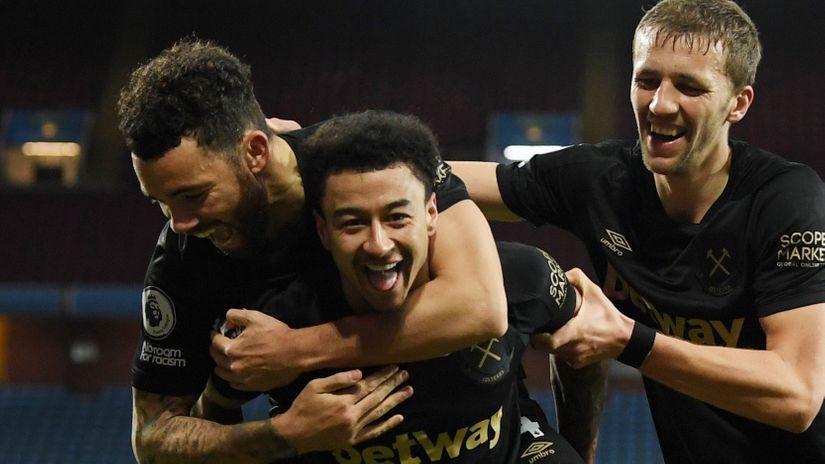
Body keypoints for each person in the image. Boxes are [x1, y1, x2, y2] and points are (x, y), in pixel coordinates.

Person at [117, 38, 568, 461]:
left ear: (255, 151)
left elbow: (480, 307)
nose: (178, 222)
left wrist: (297, 351)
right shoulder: (181, 259)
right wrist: (283, 435)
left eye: (194, 195)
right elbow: (153, 437)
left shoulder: (365, 160)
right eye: (160, 201)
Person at [451, 0, 825, 462]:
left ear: (738, 103)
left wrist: (629, 339)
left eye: (689, 86)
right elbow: (432, 180)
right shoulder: (600, 180)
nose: (660, 104)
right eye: (647, 80)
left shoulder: (785, 200)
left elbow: (797, 396)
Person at [225, 109, 586, 462]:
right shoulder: (275, 322)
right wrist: (284, 435)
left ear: (431, 213)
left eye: (397, 217)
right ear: (323, 231)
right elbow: (199, 418)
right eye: (353, 224)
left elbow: (587, 342)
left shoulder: (520, 276)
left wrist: (580, 451)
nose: (379, 244)